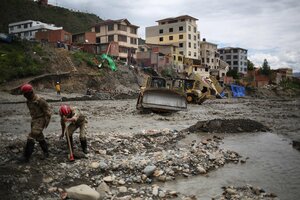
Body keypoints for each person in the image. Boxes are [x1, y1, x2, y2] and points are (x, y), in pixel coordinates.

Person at [19, 83, 52, 162]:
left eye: (25, 94)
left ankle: (26, 157)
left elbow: (48, 111)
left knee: (31, 136)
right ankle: (46, 152)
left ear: (30, 93)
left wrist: (46, 122)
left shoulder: (40, 100)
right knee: (39, 136)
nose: (24, 96)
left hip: (41, 119)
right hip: (34, 120)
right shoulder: (28, 101)